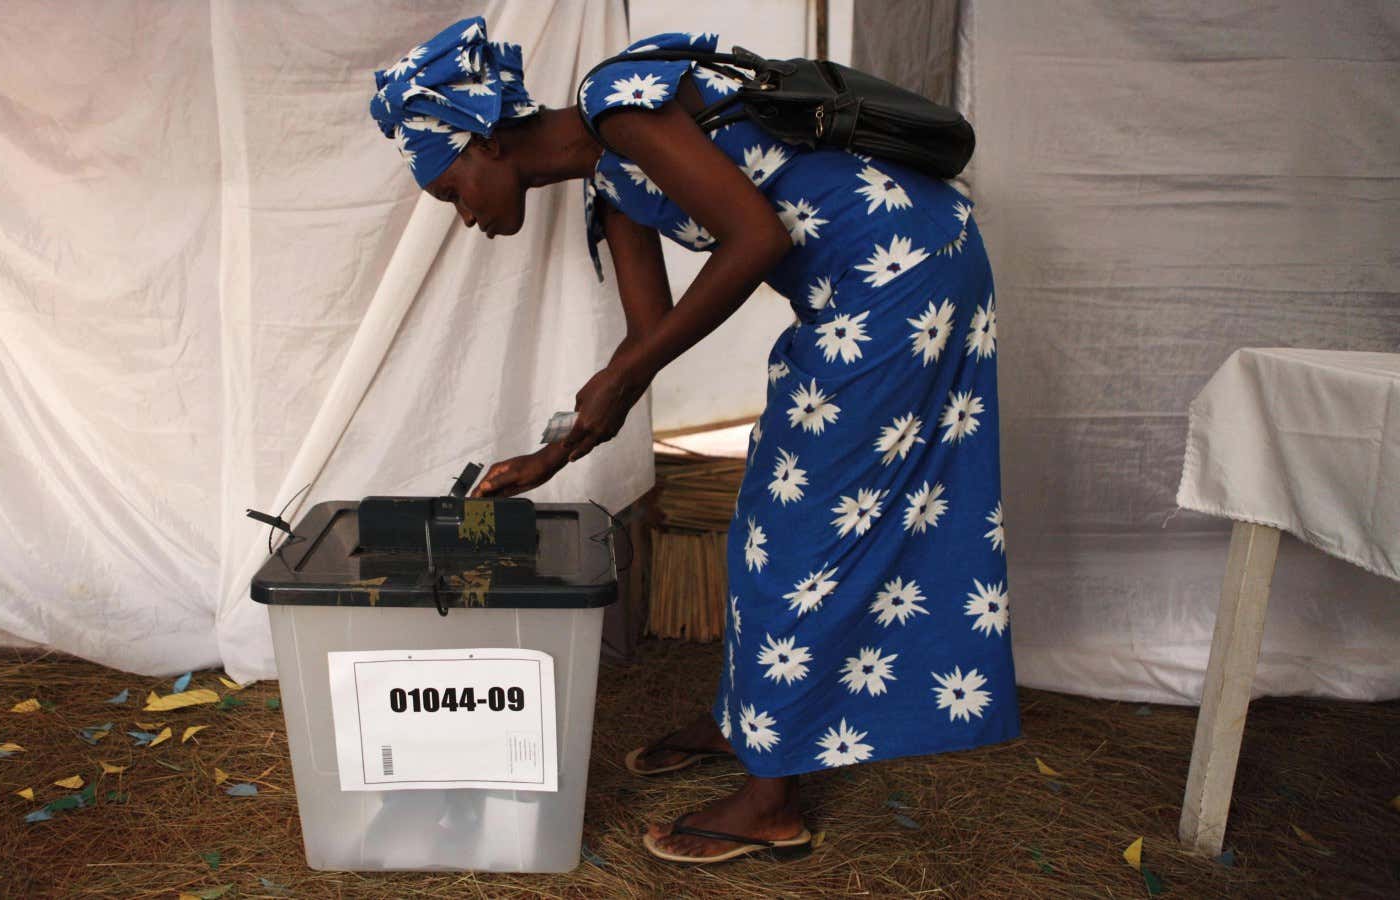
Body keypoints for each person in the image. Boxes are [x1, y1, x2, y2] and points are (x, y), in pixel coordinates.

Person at [370, 17, 1019, 865]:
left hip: (905, 277)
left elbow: (757, 238)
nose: (464, 216)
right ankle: (753, 720)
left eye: (451, 191)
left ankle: (771, 800)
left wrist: (617, 377)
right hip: (859, 293)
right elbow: (647, 339)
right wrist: (556, 452)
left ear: (484, 142)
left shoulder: (619, 104)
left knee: (803, 533)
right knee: (767, 519)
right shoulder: (612, 178)